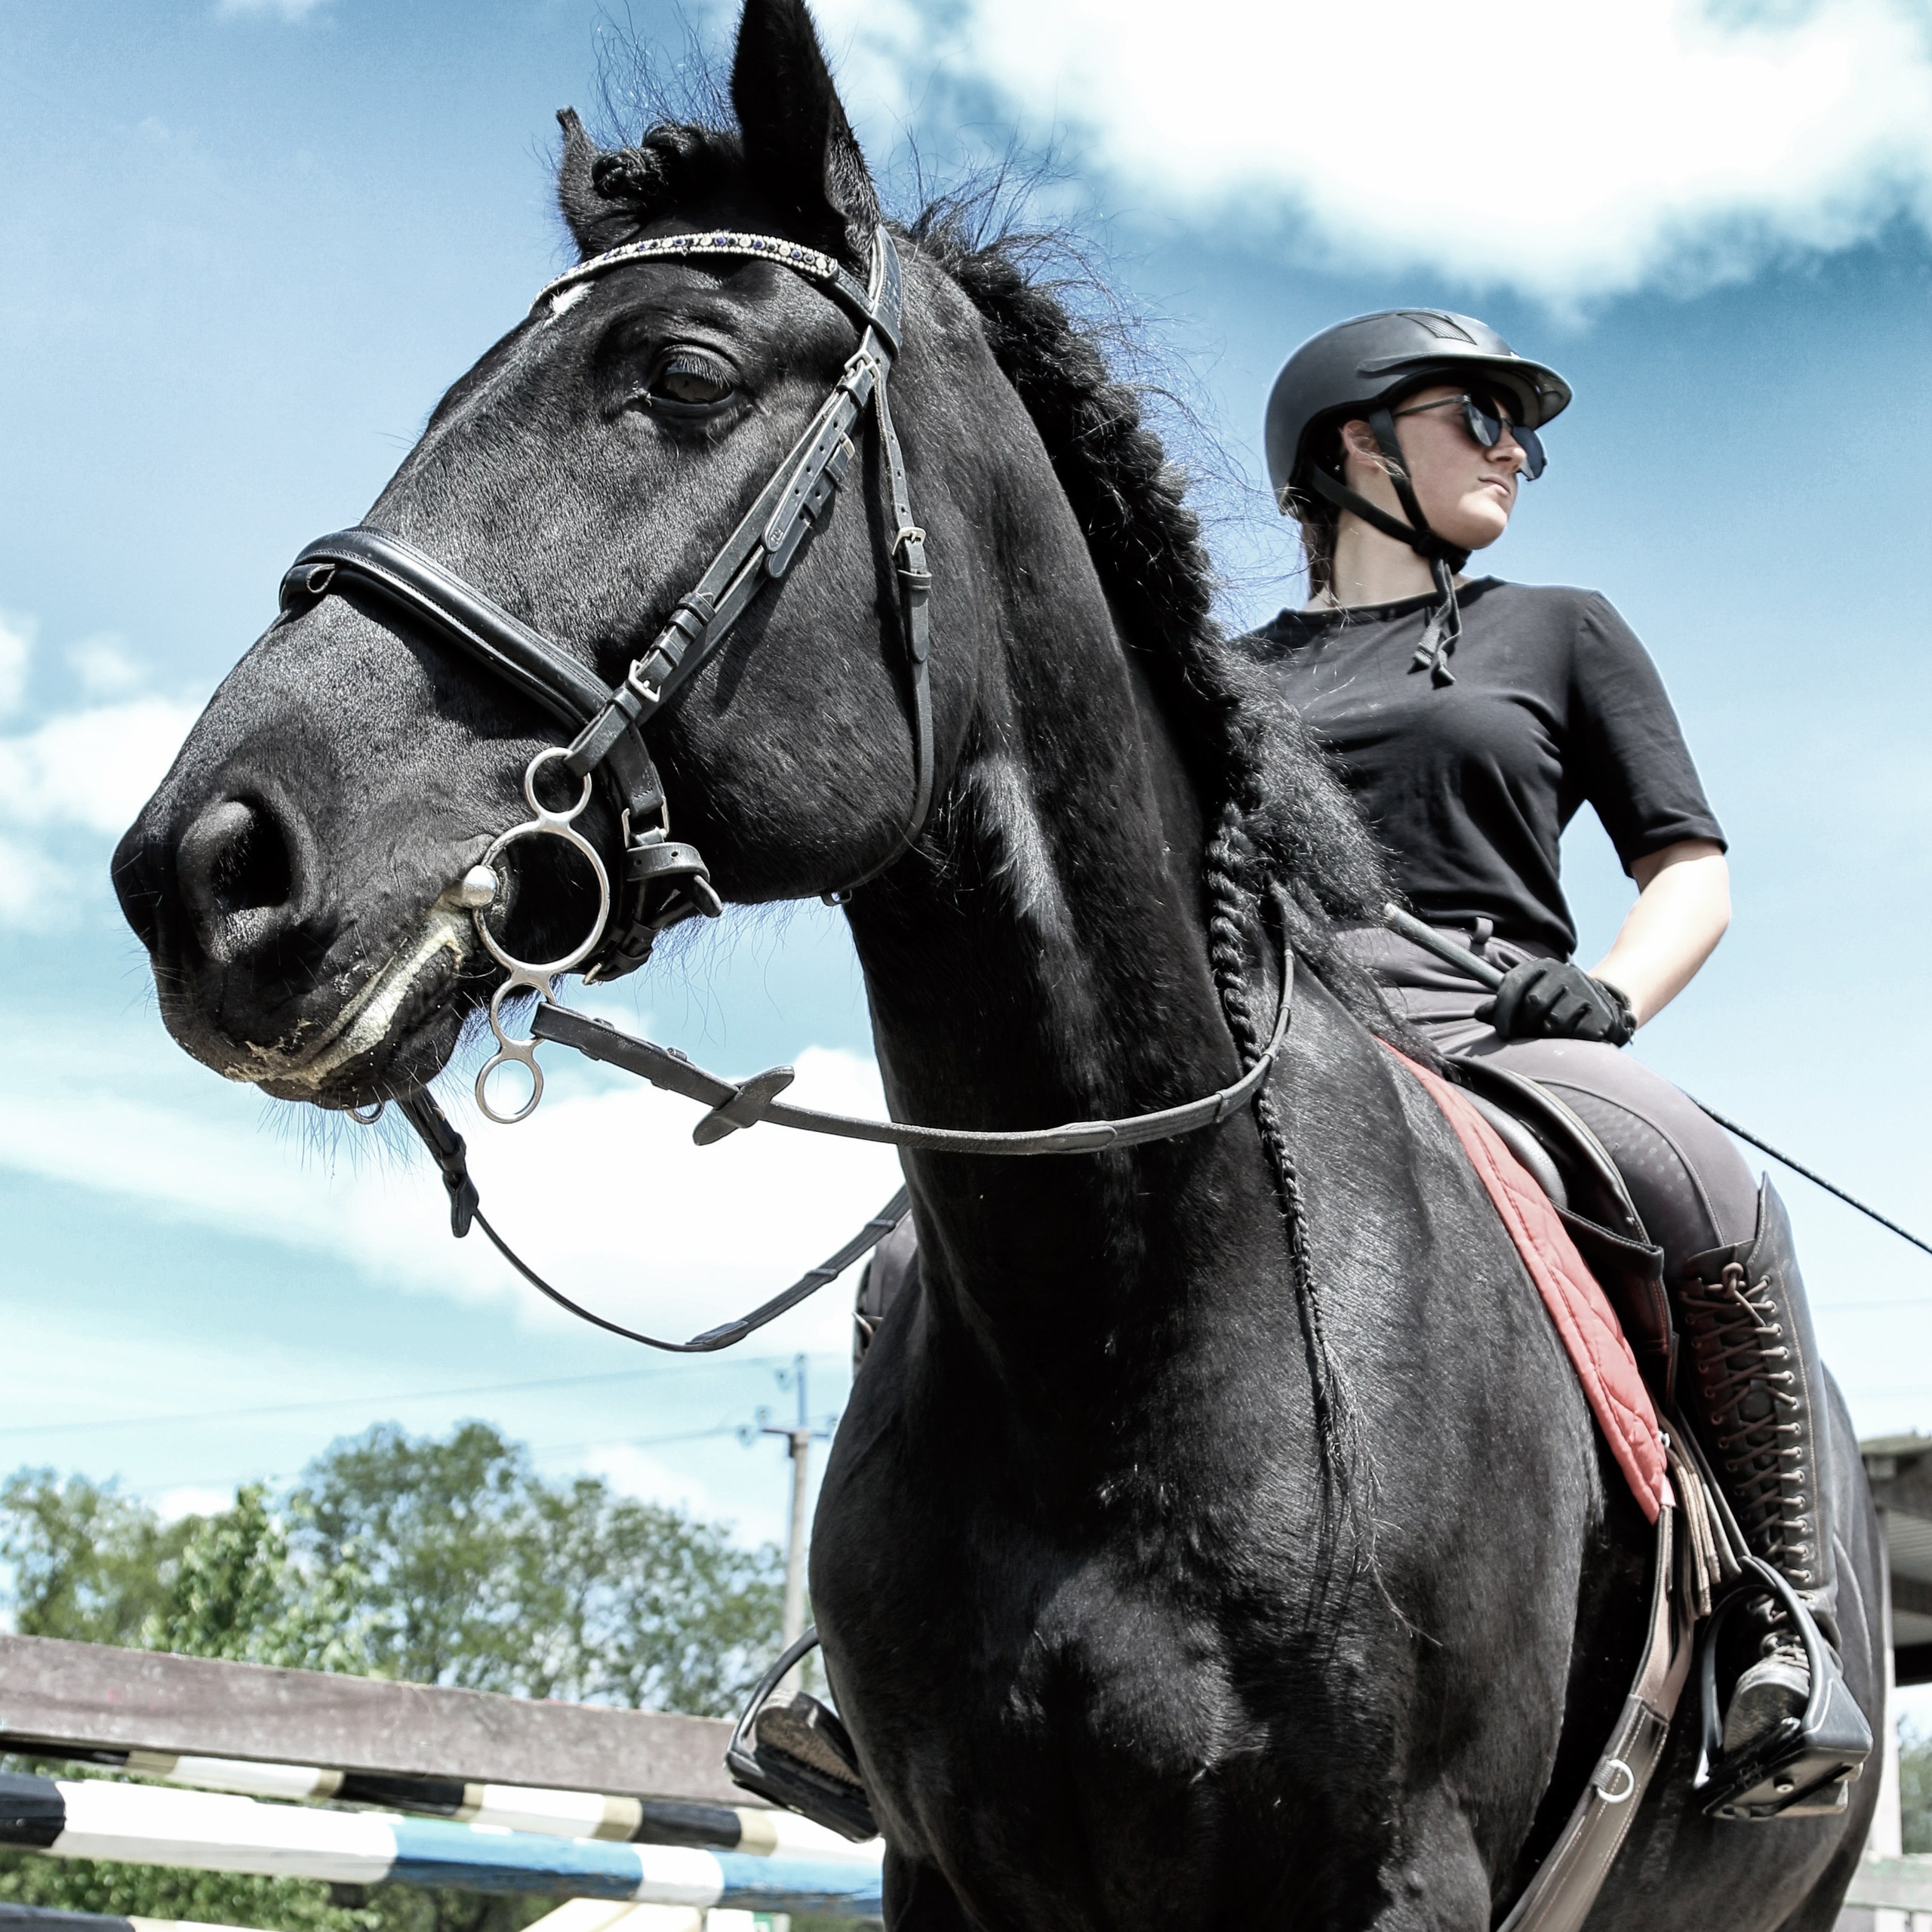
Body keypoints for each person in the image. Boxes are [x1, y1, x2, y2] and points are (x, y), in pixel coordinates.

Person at [1253, 309, 1861, 1807]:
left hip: (1492, 1024)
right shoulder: (1219, 672)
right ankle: (857, 1672)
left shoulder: (1559, 627)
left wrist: (1604, 992)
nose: (1516, 452)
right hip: (1261, 1024)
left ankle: (1776, 1623)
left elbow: (1689, 874)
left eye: (1524, 428)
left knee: (1702, 1183)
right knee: (915, 1245)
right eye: (1481, 417)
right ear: (1357, 440)